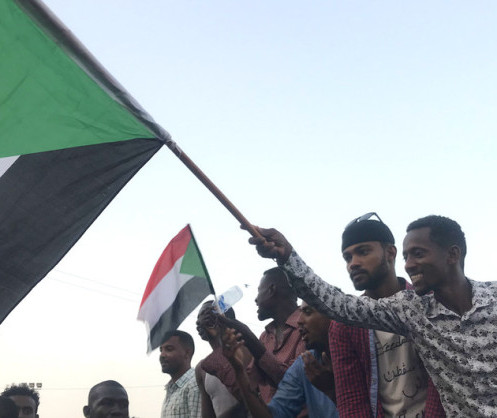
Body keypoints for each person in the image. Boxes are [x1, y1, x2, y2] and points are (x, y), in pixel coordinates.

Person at [248, 215, 497, 416]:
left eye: (418, 254)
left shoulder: (485, 299)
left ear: (452, 255)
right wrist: (287, 256)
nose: (409, 264)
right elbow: (336, 305)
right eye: (347, 257)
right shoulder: (410, 310)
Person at [330, 214, 445, 417]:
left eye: (363, 252)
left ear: (390, 253)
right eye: (347, 258)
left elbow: (443, 380)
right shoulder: (345, 325)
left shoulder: (430, 302)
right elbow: (352, 401)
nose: (353, 263)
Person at [222, 301, 339, 418]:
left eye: (308, 312)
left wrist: (330, 390)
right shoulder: (305, 364)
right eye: (300, 313)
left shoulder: (350, 350)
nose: (299, 321)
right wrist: (239, 371)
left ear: (332, 315)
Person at [210, 267, 305, 405]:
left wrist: (251, 340)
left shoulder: (307, 327)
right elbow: (248, 390)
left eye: (259, 291)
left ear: (271, 290)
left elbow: (294, 385)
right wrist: (222, 336)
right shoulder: (265, 337)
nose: (256, 299)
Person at [195, 301, 250, 417]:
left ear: (223, 318)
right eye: (198, 317)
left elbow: (251, 396)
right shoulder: (202, 368)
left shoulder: (244, 352)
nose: (198, 322)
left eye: (205, 315)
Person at [160, 330, 201, 418]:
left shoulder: (194, 385)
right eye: (161, 350)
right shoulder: (171, 389)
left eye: (169, 349)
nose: (162, 355)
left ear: (187, 353)